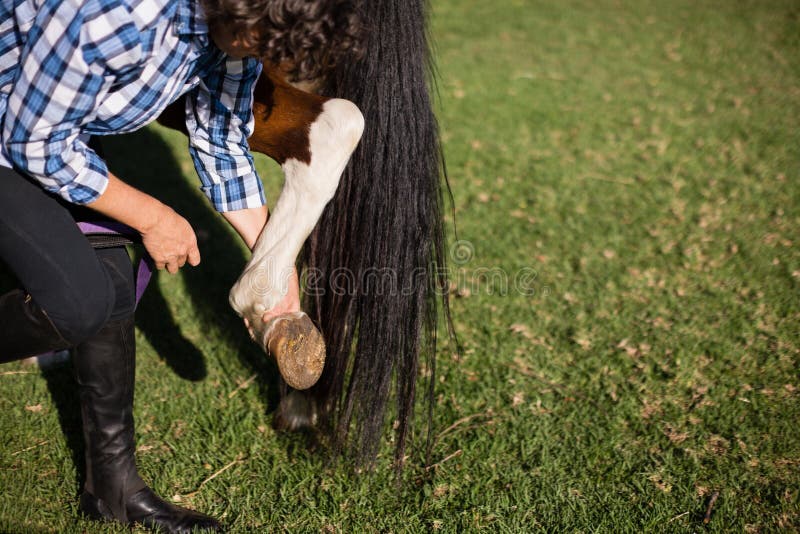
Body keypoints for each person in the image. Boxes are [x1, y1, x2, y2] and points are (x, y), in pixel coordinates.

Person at [0, 0, 350, 531]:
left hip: (47, 139)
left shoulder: (233, 31)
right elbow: (33, 142)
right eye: (265, 47)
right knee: (76, 304)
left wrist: (274, 264)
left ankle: (113, 490)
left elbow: (220, 142)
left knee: (111, 273)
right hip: (17, 139)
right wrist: (151, 214)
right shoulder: (112, 17)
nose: (264, 59)